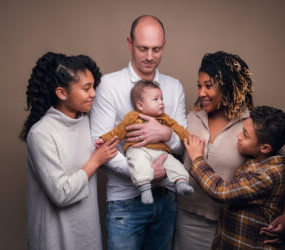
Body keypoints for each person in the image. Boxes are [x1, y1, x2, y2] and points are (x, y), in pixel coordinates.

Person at [174, 51, 285, 250]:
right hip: (188, 218)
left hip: (231, 225)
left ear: (227, 87)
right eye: (199, 86)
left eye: (208, 86)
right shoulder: (191, 118)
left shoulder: (251, 125)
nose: (200, 93)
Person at [90, 15, 186, 249]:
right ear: (129, 43)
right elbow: (100, 143)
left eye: (156, 49)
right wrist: (145, 173)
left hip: (166, 199)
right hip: (125, 202)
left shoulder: (174, 87)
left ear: (164, 45)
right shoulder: (109, 85)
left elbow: (183, 145)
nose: (150, 56)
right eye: (143, 48)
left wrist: (165, 135)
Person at [20, 52, 119, 250]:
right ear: (61, 93)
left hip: (87, 234)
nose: (94, 94)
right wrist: (95, 161)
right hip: (54, 238)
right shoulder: (40, 134)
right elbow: (61, 194)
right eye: (86, 88)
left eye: (93, 86)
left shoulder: (86, 122)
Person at [184, 105, 285, 249]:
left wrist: (197, 158)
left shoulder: (268, 175)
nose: (238, 136)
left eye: (245, 134)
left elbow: (220, 191)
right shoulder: (257, 157)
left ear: (265, 148)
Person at [95, 80, 193, 204]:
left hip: (160, 152)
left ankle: (181, 183)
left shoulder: (164, 118)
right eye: (156, 99)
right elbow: (118, 132)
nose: (161, 103)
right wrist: (103, 139)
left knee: (174, 164)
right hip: (137, 149)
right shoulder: (132, 117)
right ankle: (145, 188)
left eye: (161, 99)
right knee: (138, 163)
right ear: (140, 105)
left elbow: (179, 129)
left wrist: (190, 138)